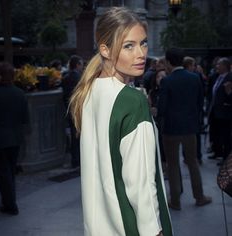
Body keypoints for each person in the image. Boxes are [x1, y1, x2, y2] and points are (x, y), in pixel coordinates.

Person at [69, 7, 172, 236]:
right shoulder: (132, 101)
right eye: (129, 45)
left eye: (143, 43)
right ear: (105, 49)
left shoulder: (88, 92)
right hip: (129, 228)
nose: (141, 53)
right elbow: (142, 186)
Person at [158, 48, 212, 210]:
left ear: (168, 62)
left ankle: (175, 201)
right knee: (192, 162)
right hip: (189, 127)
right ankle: (199, 196)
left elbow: (162, 108)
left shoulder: (167, 81)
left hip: (171, 129)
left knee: (173, 165)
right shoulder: (194, 78)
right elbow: (199, 102)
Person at [0, 62, 29, 215]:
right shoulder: (20, 93)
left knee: (3, 173)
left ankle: (10, 205)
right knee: (9, 171)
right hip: (15, 138)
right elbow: (25, 118)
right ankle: (9, 201)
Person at [207, 57, 232, 165]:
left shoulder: (230, 77)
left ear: (225, 66)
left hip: (226, 112)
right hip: (216, 111)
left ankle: (226, 158)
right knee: (217, 133)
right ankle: (218, 152)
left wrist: (229, 92)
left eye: (219, 65)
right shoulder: (218, 77)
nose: (217, 66)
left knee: (226, 136)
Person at [61, 55, 84, 168]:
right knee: (80, 136)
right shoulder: (79, 77)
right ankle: (79, 159)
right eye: (81, 64)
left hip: (70, 109)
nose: (82, 66)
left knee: (74, 136)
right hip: (79, 110)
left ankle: (74, 160)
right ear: (77, 65)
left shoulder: (65, 76)